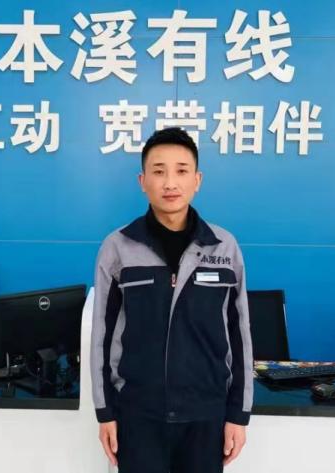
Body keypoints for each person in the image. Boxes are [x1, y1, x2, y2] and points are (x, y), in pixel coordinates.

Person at [90, 127, 253, 473]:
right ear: (142, 181)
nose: (170, 183)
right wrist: (105, 412)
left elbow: (240, 336)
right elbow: (101, 337)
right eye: (158, 171)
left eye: (181, 171)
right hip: (138, 416)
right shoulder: (118, 248)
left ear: (197, 180)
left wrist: (238, 414)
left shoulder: (224, 247)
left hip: (205, 416)